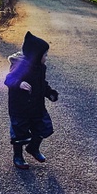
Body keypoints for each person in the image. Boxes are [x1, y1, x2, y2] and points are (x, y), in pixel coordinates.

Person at [4, 31, 59, 170]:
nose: (46, 58)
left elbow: (42, 84)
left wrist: (49, 93)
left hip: (36, 106)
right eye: (44, 55)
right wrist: (19, 83)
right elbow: (9, 79)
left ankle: (33, 148)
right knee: (19, 133)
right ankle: (18, 156)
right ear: (36, 55)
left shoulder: (40, 68)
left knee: (43, 128)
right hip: (20, 108)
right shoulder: (20, 66)